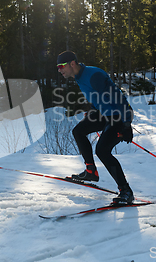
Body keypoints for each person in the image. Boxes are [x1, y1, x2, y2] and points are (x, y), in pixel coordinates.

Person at [57, 50, 135, 205]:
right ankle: (90, 171)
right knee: (78, 131)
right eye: (58, 67)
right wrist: (92, 112)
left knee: (102, 150)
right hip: (104, 113)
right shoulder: (79, 77)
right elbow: (96, 97)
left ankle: (126, 191)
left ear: (72, 63)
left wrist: (126, 124)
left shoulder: (93, 75)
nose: (59, 70)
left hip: (118, 115)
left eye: (61, 66)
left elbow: (118, 98)